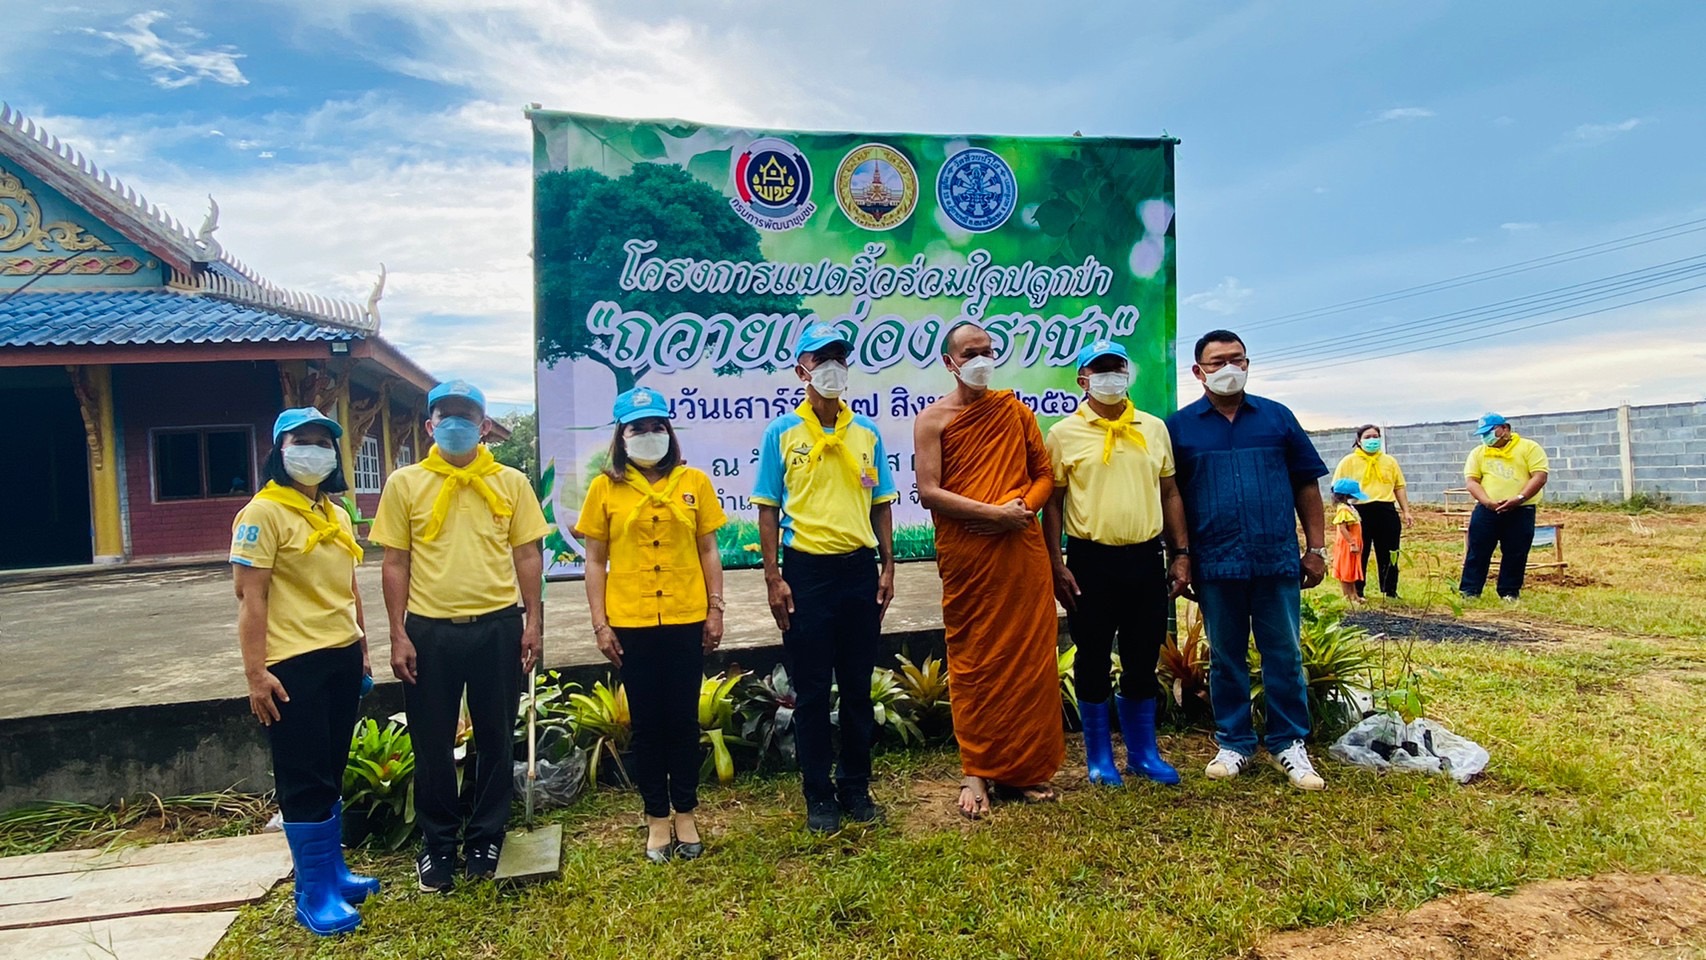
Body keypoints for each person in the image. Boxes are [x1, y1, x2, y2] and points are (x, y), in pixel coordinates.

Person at [370, 380, 550, 891]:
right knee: (431, 740)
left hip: (497, 625)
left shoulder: (512, 482)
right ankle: (439, 843)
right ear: (429, 425)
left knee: (496, 736)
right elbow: (395, 562)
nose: (455, 424)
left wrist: (532, 620)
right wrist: (397, 633)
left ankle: (488, 835)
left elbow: (527, 554)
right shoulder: (405, 484)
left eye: (466, 416)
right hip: (429, 631)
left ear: (485, 426)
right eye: (445, 415)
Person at [229, 407, 377, 936]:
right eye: (301, 441)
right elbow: (251, 596)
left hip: (340, 654)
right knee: (303, 774)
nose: (313, 450)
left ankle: (333, 872)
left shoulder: (334, 513)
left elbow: (350, 586)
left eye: (323, 442)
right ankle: (312, 892)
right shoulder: (261, 514)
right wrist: (254, 673)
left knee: (331, 768)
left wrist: (361, 646)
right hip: (291, 664)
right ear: (278, 449)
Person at [1165, 330, 1330, 791]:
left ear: (1249, 363)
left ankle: (1288, 744)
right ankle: (1234, 742)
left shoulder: (1277, 418)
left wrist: (1315, 549)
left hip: (1275, 559)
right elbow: (1170, 495)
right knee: (1225, 657)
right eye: (1216, 362)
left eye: (1236, 359)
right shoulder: (1179, 428)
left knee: (1284, 654)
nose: (1227, 368)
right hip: (1216, 564)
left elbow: (1306, 486)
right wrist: (1181, 556)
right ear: (1198, 372)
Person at [752, 324, 898, 834]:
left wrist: (889, 566)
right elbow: (768, 510)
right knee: (812, 692)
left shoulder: (868, 433)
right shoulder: (781, 434)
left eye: (840, 357)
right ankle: (818, 794)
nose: (833, 367)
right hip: (806, 574)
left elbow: (881, 504)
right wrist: (774, 578)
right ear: (801, 371)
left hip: (859, 571)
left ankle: (855, 787)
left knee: (858, 688)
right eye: (822, 359)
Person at [915, 323, 1064, 818]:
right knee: (975, 657)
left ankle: (1024, 769)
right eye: (970, 352)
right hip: (969, 553)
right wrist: (991, 514)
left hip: (1021, 548)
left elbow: (1043, 475)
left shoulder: (1015, 412)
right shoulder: (933, 419)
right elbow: (930, 491)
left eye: (988, 351)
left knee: (1028, 656)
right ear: (950, 362)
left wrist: (1020, 509)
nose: (981, 359)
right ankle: (977, 768)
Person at [578, 387, 727, 862]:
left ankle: (686, 811)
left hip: (685, 617)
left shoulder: (693, 482)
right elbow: (595, 560)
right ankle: (656, 818)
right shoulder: (605, 488)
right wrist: (601, 624)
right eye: (637, 428)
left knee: (682, 721)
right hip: (631, 622)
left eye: (656, 426)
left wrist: (715, 608)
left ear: (670, 431)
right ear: (621, 436)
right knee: (646, 725)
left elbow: (708, 549)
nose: (649, 435)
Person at [1042, 339, 1191, 788]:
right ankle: (1100, 757)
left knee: (1143, 655)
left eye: (1117, 367)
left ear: (1128, 374)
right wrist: (1055, 561)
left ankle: (1144, 754)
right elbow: (1052, 503)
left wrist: (1181, 553)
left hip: (1146, 557)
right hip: (1090, 561)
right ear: (1082, 379)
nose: (1110, 377)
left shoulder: (1153, 428)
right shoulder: (1062, 434)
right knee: (1091, 656)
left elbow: (1170, 493)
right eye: (1099, 369)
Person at [1460, 412, 1550, 601]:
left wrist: (1519, 498)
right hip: (1487, 510)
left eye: (1490, 432)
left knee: (1515, 552)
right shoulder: (1479, 453)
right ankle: (1469, 591)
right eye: (1483, 434)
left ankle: (1509, 592)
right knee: (1478, 550)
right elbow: (1472, 481)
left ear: (1505, 429)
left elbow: (1539, 476)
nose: (1486, 438)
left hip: (1521, 509)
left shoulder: (1529, 448)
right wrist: (1487, 501)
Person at [1331, 425, 1413, 599]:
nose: (1372, 440)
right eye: (1368, 437)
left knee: (1390, 552)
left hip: (1386, 509)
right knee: (1360, 552)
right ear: (1359, 440)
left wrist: (1406, 511)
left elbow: (1399, 486)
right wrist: (1342, 509)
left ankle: (1389, 590)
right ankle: (1357, 590)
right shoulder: (1348, 461)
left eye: (1376, 436)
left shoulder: (1389, 461)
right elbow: (1336, 487)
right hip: (1360, 510)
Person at [1329, 478, 1369, 604]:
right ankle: (1348, 596)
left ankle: (1354, 595)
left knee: (1351, 571)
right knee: (1346, 571)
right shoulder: (1343, 510)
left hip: (1354, 543)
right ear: (1346, 495)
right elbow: (1342, 528)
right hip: (1347, 545)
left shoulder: (1349, 507)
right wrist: (1351, 543)